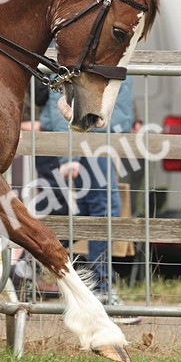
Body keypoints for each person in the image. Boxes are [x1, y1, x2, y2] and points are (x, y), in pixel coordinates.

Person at [35, 76, 139, 322]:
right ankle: (101, 293)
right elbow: (59, 94)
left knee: (83, 215)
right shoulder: (89, 41)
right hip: (87, 136)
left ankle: (27, 265)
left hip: (103, 135)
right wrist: (69, 152)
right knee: (104, 209)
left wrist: (124, 128)